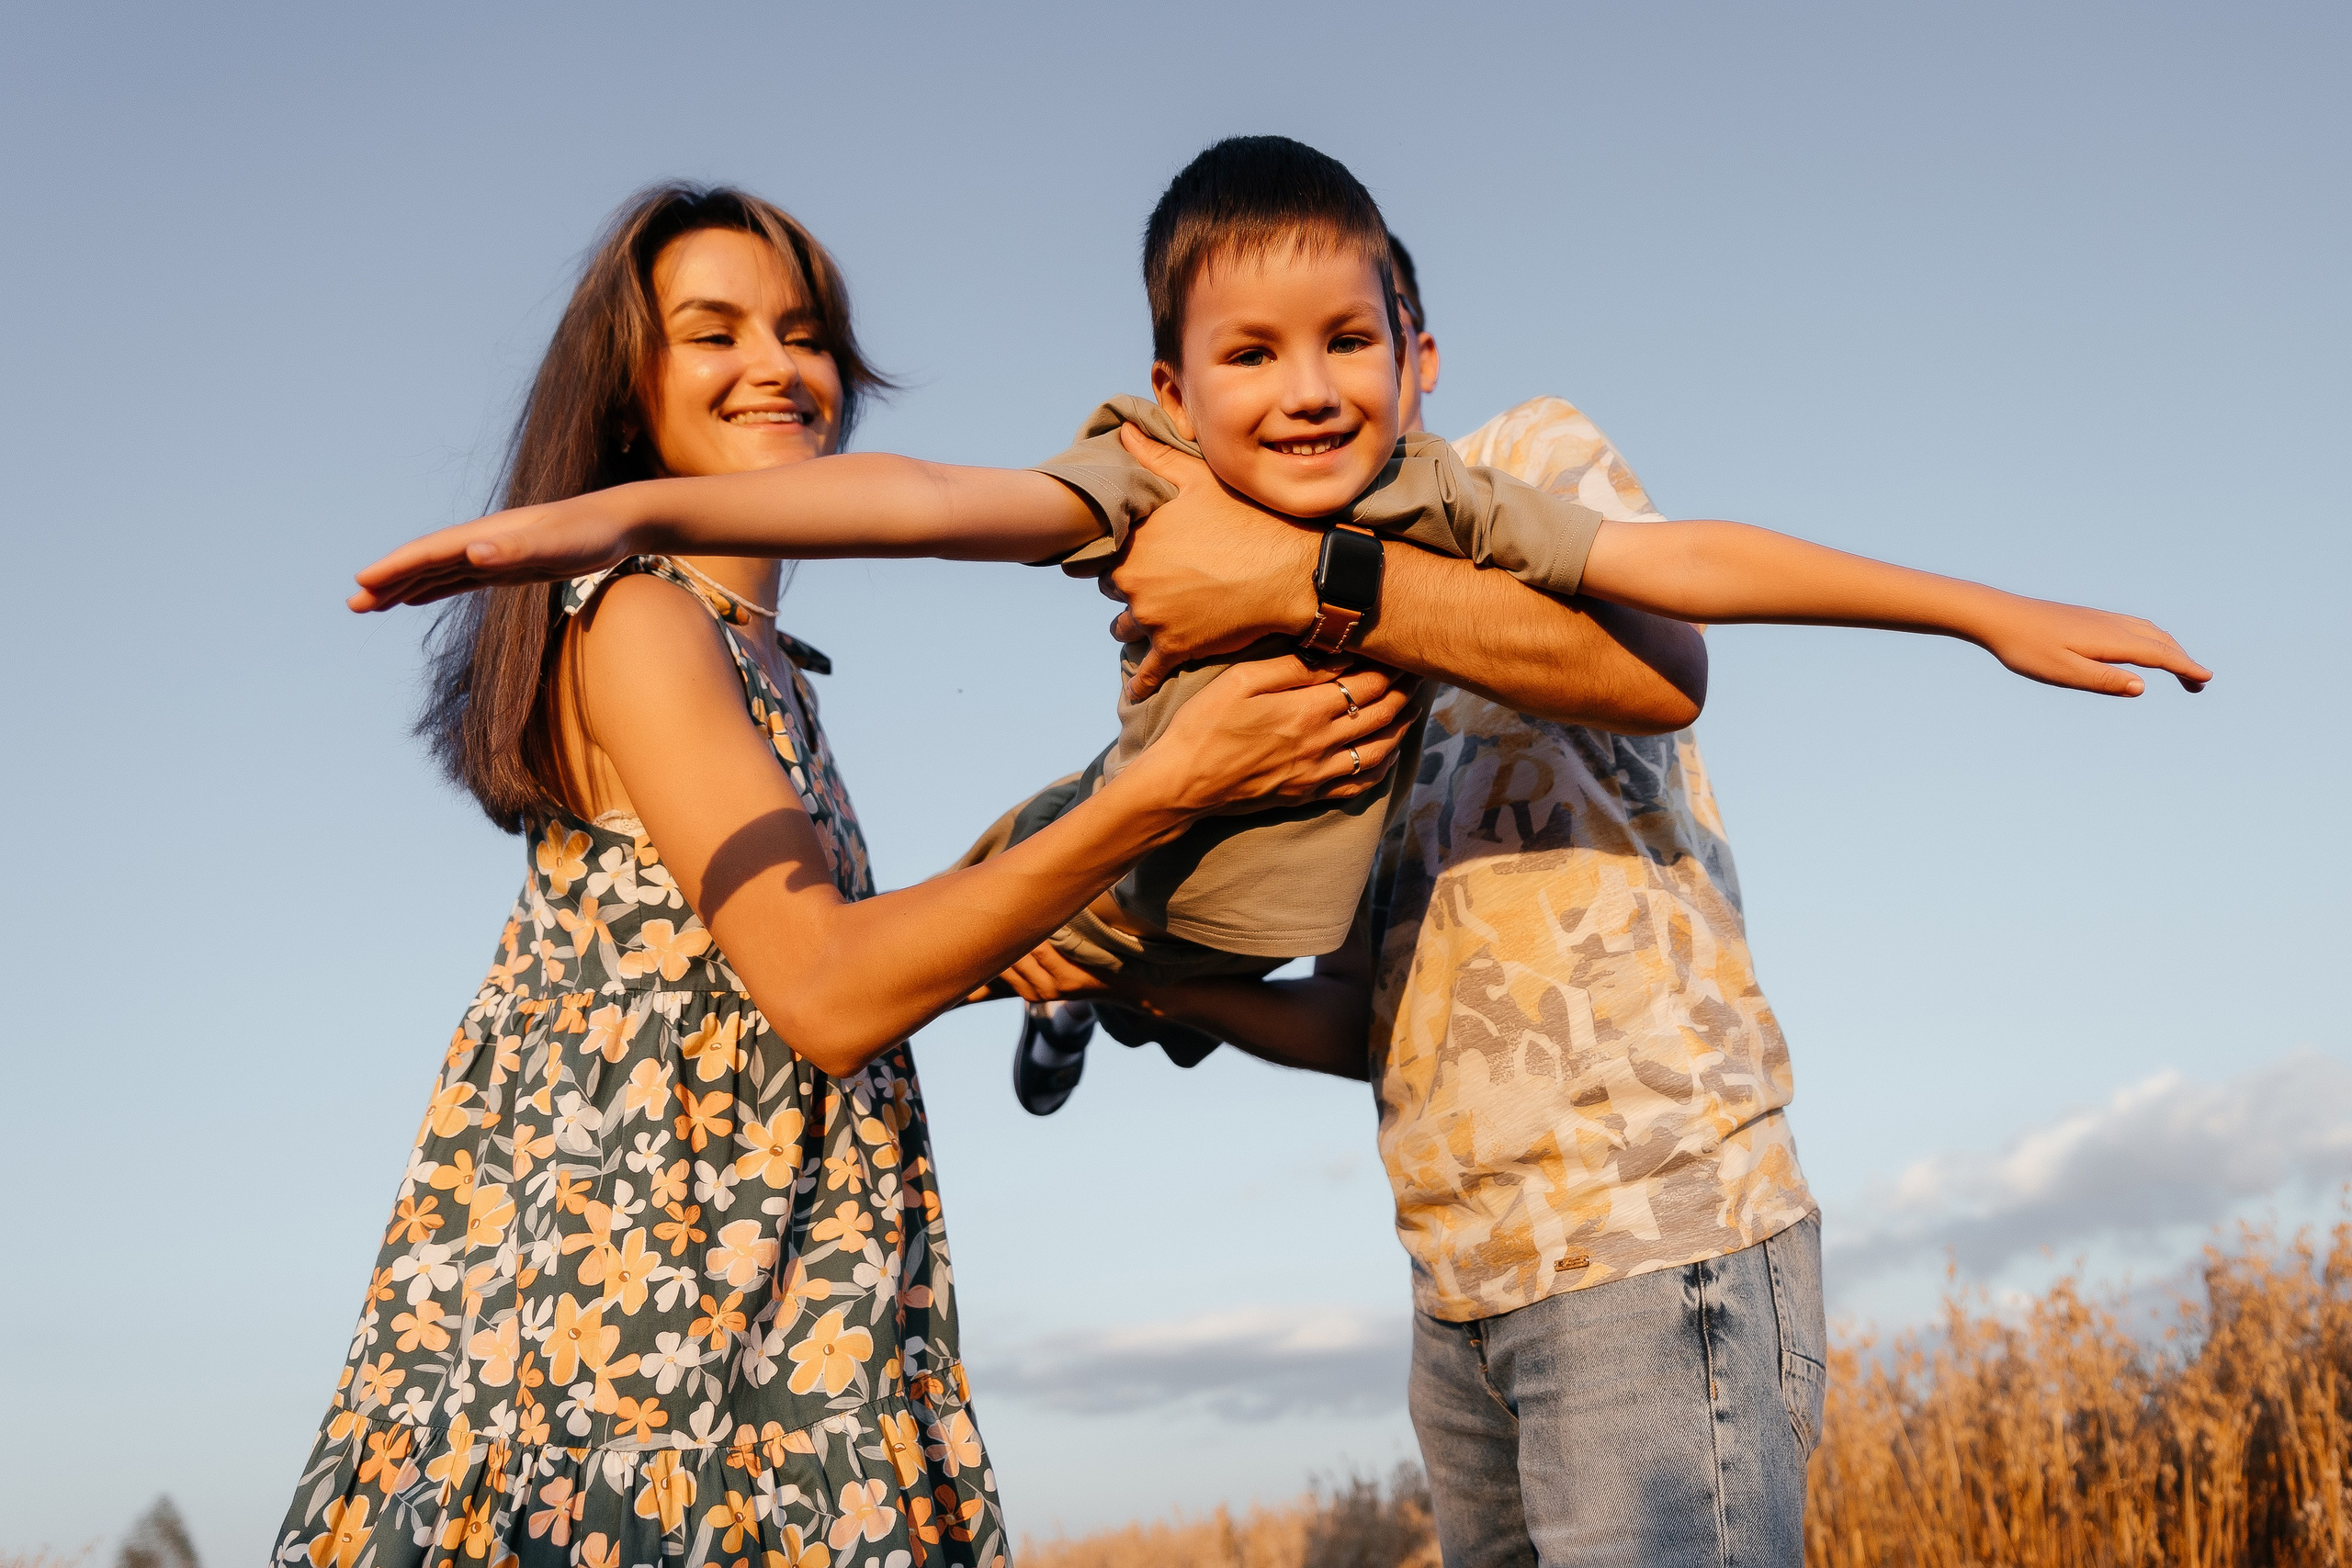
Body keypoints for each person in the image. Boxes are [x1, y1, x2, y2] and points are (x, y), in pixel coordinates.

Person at [349, 137, 2208, 1124]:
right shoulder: (1148, 480)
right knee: (1026, 916)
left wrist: (1977, 611)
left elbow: (1688, 577)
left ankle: (1118, 1016)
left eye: (1342, 347)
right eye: (1248, 357)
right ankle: (1087, 1007)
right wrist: (611, 512)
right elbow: (914, 502)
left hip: (1276, 920)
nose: (1303, 395)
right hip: (1110, 860)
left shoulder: (1435, 496)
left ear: (1409, 361)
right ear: (1168, 383)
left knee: (1228, 985)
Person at [276, 183, 1420, 1568]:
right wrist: (1170, 786)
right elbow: (825, 994)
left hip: (776, 1283)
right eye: (714, 332)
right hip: (639, 1339)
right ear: (630, 389)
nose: (776, 363)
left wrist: (1054, 941)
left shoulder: (764, 662)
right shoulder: (643, 617)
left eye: (801, 330)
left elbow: (775, 991)